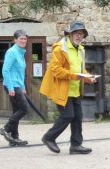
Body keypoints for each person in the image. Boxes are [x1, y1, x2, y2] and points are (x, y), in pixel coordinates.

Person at [39, 21, 96, 155]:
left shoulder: (80, 48)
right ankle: (49, 137)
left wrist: (89, 77)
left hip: (75, 90)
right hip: (62, 89)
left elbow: (80, 70)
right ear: (70, 34)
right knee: (68, 115)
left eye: (81, 34)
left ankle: (76, 145)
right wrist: (75, 76)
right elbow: (55, 70)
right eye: (76, 33)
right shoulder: (60, 48)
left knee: (77, 117)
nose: (79, 36)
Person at [0, 29, 29, 146]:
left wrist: (23, 87)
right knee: (24, 109)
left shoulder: (21, 52)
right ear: (15, 40)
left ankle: (14, 138)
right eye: (21, 38)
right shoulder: (12, 52)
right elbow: (5, 70)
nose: (23, 40)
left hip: (18, 85)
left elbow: (20, 72)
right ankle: (6, 129)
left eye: (25, 38)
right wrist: (11, 88)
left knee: (17, 110)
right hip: (12, 85)